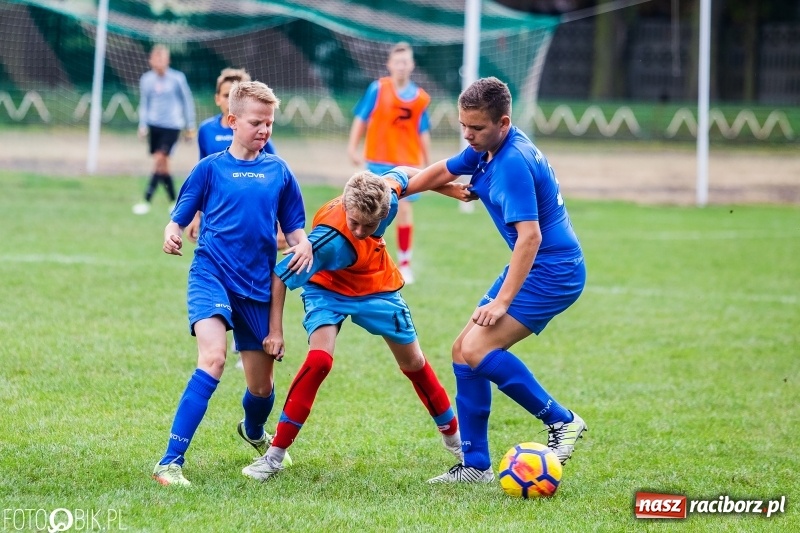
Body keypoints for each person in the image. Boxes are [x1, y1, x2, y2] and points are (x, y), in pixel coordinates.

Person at [402, 77, 587, 484]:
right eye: (463, 126)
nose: (468, 135)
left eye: (477, 128)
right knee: (460, 351)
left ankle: (562, 421)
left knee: (478, 348)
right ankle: (476, 466)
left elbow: (531, 237)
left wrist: (501, 302)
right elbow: (441, 171)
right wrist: (396, 189)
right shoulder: (488, 147)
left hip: (553, 270)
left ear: (503, 121)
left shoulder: (512, 162)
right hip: (537, 264)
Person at [240, 169, 464, 482]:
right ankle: (274, 456)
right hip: (327, 288)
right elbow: (280, 275)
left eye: (368, 225)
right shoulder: (327, 240)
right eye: (354, 221)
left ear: (385, 213)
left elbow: (412, 174)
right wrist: (275, 331)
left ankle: (457, 443)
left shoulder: (385, 196)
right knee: (319, 360)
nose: (359, 231)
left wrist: (449, 188)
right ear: (346, 206)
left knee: (415, 363)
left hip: (377, 286)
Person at [152, 80, 313, 487]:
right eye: (256, 122)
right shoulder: (209, 169)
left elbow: (295, 232)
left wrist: (304, 247)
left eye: (270, 123)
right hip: (211, 275)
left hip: (257, 287)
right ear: (232, 120)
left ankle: (254, 431)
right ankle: (170, 462)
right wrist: (171, 230)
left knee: (262, 389)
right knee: (214, 358)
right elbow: (179, 214)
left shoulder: (279, 171)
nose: (264, 130)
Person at [346, 42, 431, 285]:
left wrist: (427, 161)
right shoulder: (378, 89)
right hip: (377, 161)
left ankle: (405, 264)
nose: (402, 65)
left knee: (403, 210)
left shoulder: (420, 99)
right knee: (370, 209)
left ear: (412, 65)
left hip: (407, 161)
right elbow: (361, 118)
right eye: (398, 61)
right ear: (389, 65)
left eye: (406, 61)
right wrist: (353, 147)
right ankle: (364, 259)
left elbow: (423, 131)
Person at [133, 45, 196, 215]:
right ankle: (174, 202)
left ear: (168, 60)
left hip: (172, 126)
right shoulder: (146, 79)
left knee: (160, 159)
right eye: (156, 58)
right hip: (154, 125)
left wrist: (190, 125)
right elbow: (144, 104)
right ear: (151, 60)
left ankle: (146, 199)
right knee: (163, 165)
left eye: (163, 58)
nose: (159, 61)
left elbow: (186, 101)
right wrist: (143, 124)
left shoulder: (177, 78)